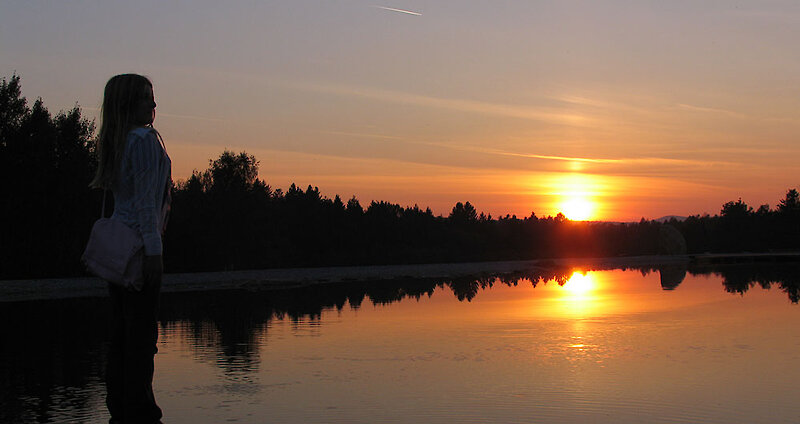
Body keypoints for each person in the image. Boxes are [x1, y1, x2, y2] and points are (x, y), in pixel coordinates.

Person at [90, 74, 171, 424]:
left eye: (153, 98)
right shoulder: (144, 142)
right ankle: (141, 414)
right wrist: (154, 252)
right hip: (139, 252)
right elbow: (144, 205)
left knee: (122, 337)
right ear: (127, 105)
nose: (153, 106)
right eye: (145, 99)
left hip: (118, 252)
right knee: (140, 341)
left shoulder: (118, 141)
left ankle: (120, 410)